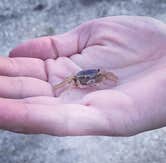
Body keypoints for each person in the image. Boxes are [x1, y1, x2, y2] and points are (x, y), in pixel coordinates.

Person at [0, 16, 166, 136]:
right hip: (79, 78)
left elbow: (105, 74)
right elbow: (71, 81)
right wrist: (62, 88)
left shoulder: (99, 74)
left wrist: (112, 81)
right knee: (69, 82)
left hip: (90, 76)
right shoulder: (76, 79)